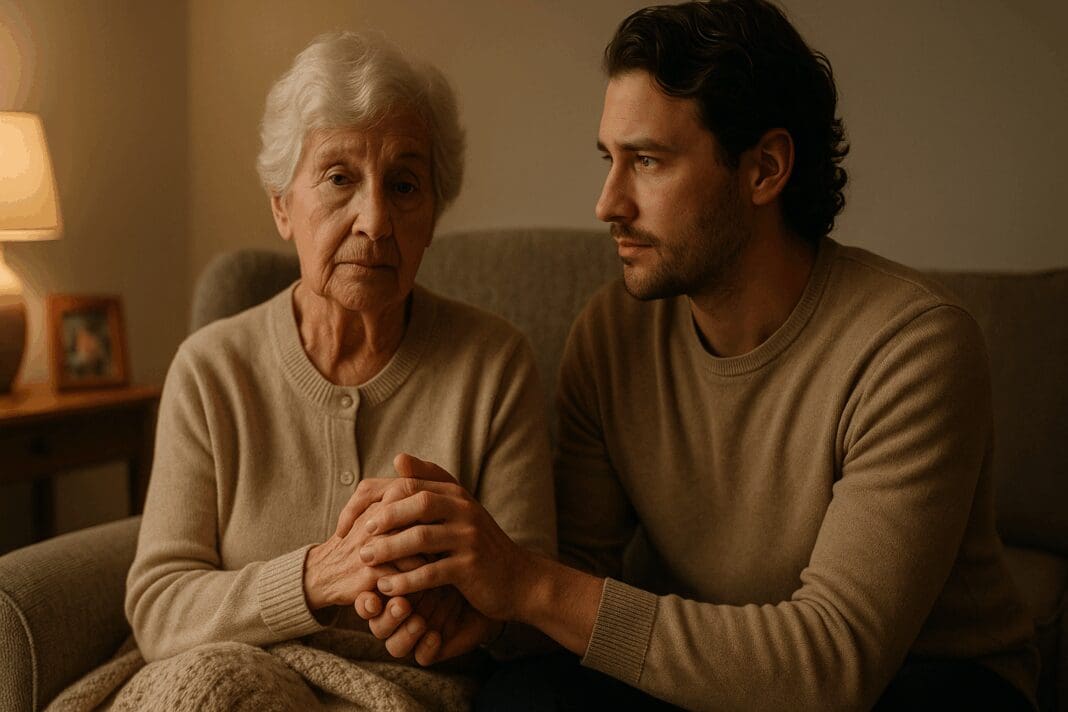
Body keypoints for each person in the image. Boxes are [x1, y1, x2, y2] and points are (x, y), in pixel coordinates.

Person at [344, 1, 1039, 709]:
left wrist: (527, 583)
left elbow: (833, 666)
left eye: (647, 161)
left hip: (916, 682)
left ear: (765, 169)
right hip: (702, 672)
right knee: (523, 698)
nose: (607, 204)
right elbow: (580, 580)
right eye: (610, 160)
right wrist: (478, 603)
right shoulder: (612, 335)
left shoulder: (913, 347)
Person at [48, 31, 554, 710]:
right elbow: (160, 608)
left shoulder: (494, 365)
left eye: (404, 185)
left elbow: (533, 611)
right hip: (232, 681)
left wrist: (470, 612)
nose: (375, 220)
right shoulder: (211, 370)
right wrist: (317, 575)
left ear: (434, 215)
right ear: (282, 205)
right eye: (340, 178)